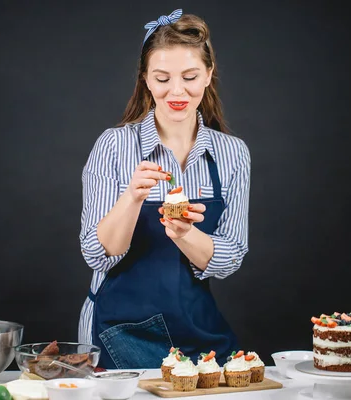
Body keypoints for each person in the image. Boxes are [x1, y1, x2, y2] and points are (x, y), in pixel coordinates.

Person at [78, 8, 251, 369]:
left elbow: (231, 255)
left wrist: (185, 234)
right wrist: (132, 197)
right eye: (162, 78)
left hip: (197, 328)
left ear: (208, 74)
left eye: (189, 76)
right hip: (121, 329)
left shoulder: (232, 153)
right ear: (145, 79)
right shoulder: (113, 146)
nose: (177, 91)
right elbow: (97, 253)